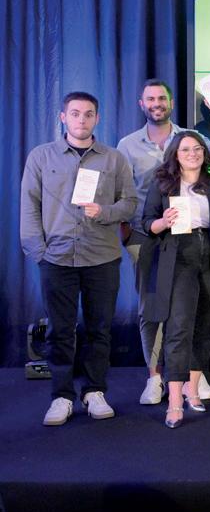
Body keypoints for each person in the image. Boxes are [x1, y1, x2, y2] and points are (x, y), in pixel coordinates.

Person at [20, 92, 137, 426]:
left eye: (88, 114)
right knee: (60, 330)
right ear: (63, 117)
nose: (81, 120)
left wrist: (105, 212)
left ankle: (95, 391)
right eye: (75, 114)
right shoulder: (41, 156)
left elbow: (130, 203)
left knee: (100, 329)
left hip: (102, 258)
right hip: (56, 259)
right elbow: (29, 204)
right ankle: (61, 396)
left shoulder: (114, 159)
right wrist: (38, 251)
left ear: (97, 118)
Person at [117, 78, 210, 405]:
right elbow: (120, 189)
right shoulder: (128, 144)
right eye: (150, 99)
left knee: (194, 308)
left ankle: (191, 374)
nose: (157, 103)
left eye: (162, 98)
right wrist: (128, 231)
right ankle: (155, 376)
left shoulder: (189, 138)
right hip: (146, 234)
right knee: (153, 307)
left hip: (189, 237)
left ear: (171, 102)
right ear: (142, 104)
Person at [140, 131, 210, 428]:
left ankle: (192, 390)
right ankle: (174, 400)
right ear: (175, 153)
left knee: (208, 325)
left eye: (197, 149)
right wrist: (164, 221)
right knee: (179, 327)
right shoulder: (162, 183)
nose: (192, 154)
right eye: (185, 149)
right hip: (178, 256)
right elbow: (147, 223)